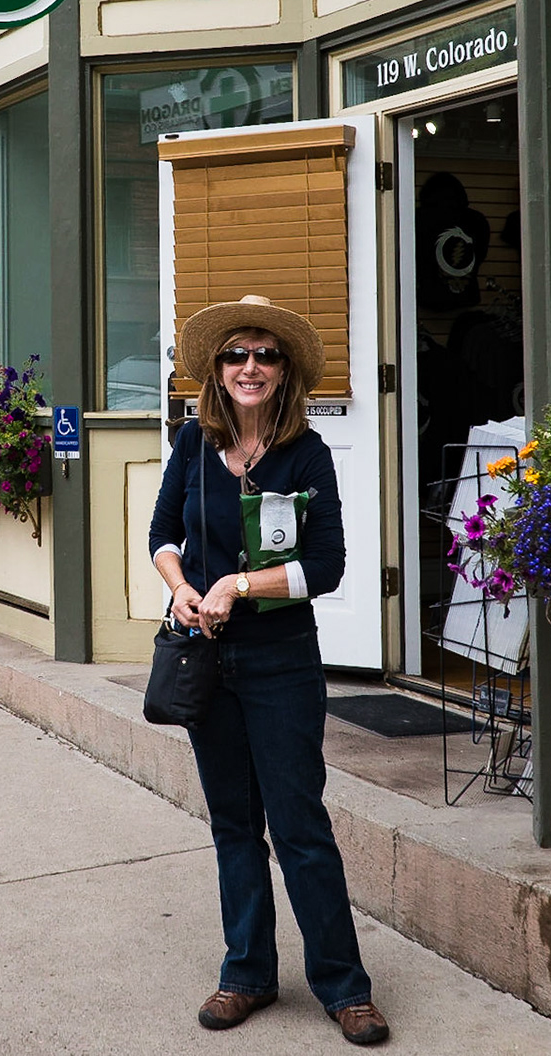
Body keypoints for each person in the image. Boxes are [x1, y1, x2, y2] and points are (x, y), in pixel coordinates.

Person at [147, 294, 389, 1046]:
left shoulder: (305, 454)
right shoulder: (192, 444)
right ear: (216, 371)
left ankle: (344, 988)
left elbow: (328, 566)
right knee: (232, 825)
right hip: (207, 658)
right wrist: (185, 589)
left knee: (299, 824)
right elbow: (161, 533)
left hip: (281, 660)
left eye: (265, 355)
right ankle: (246, 972)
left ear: (285, 373)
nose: (249, 367)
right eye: (235, 355)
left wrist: (236, 585)